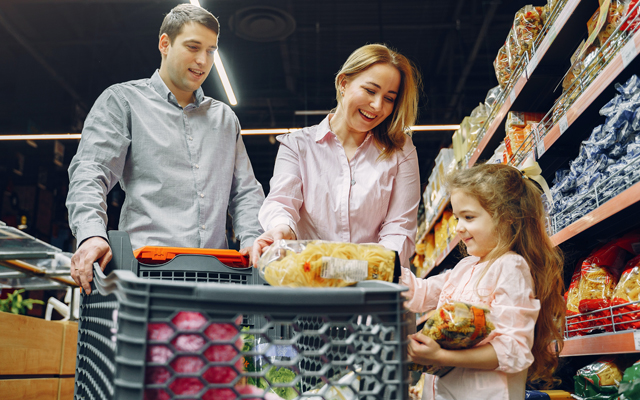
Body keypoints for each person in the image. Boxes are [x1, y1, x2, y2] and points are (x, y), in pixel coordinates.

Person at [66, 4, 265, 293]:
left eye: (211, 51)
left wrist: (252, 240)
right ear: (165, 44)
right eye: (193, 47)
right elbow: (90, 172)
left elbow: (245, 192)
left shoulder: (224, 119)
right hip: (143, 278)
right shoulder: (123, 102)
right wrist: (91, 235)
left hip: (216, 280)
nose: (203, 60)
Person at [402, 163, 565, 400]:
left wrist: (441, 357)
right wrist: (381, 263)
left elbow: (513, 349)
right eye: (457, 217)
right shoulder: (465, 267)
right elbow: (420, 293)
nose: (458, 228)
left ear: (507, 217)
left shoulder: (510, 267)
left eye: (468, 217)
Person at [250, 44, 422, 268]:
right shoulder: (297, 146)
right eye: (370, 90)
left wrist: (359, 268)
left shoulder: (401, 150)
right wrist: (282, 229)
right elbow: (282, 202)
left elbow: (400, 227)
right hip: (310, 280)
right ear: (343, 83)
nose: (378, 105)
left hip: (374, 285)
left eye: (389, 98)